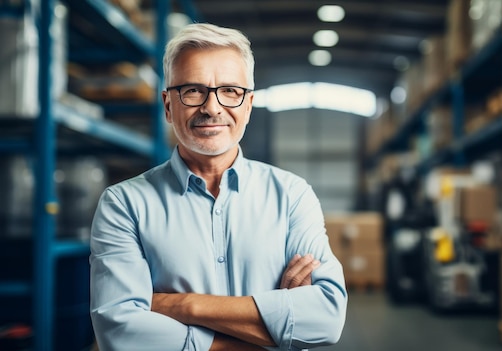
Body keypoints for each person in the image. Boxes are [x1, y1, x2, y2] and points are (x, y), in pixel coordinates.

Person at [89, 23, 347, 351]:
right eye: (193, 90)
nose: (212, 108)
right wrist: (274, 330)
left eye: (230, 91)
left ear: (249, 105)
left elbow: (327, 318)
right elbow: (119, 331)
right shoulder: (123, 204)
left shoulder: (292, 196)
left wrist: (184, 306)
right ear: (168, 105)